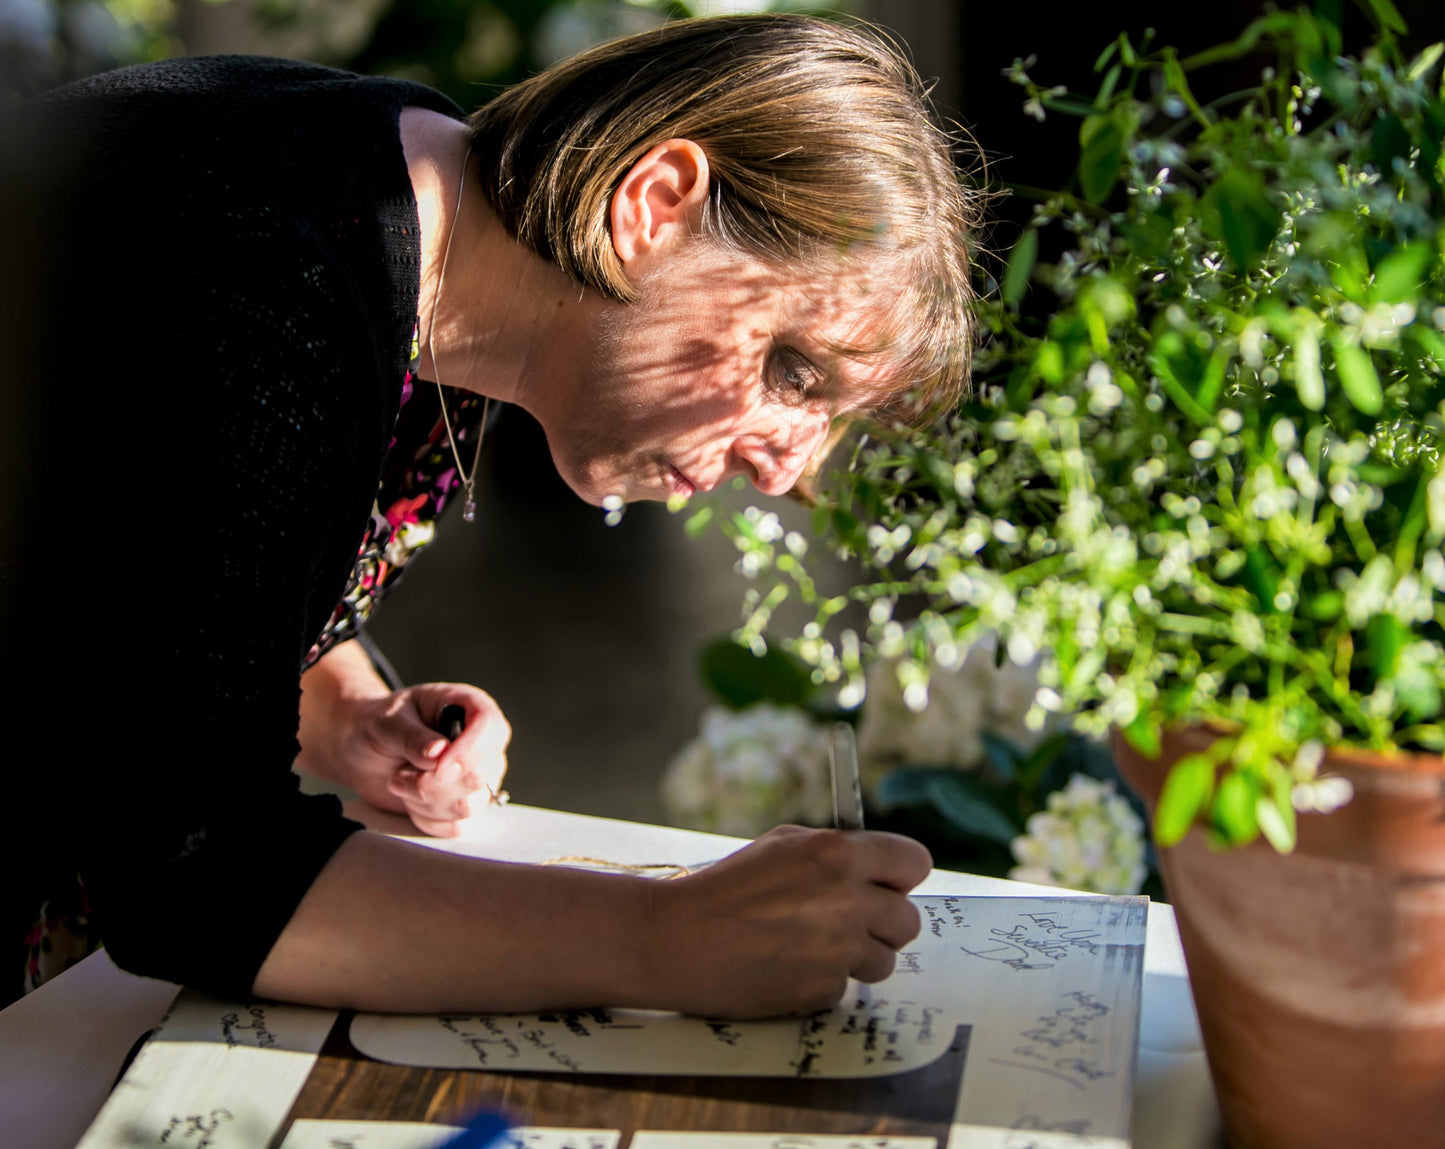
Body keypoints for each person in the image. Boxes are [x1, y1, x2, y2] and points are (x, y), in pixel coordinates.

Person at [0, 14, 976, 1015]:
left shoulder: (400, 207)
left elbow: (140, 542)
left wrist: (340, 709)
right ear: (655, 202)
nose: (784, 470)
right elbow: (195, 877)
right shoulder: (267, 278)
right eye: (790, 369)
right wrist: (662, 938)